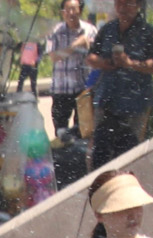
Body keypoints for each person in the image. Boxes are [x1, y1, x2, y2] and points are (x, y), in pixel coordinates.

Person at [87, 0, 153, 169]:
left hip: (134, 105)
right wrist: (105, 62)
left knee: (127, 158)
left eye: (128, 3)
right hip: (107, 101)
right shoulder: (107, 29)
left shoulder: (148, 32)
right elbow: (90, 57)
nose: (122, 7)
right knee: (100, 156)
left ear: (138, 5)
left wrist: (131, 63)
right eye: (119, 3)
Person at [46, 0, 97, 136]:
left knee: (83, 131)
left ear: (80, 10)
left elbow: (98, 55)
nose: (71, 13)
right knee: (60, 133)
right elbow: (54, 56)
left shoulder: (90, 30)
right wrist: (75, 45)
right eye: (67, 10)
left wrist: (89, 47)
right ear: (62, 13)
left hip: (82, 89)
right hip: (61, 89)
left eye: (74, 9)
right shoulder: (55, 32)